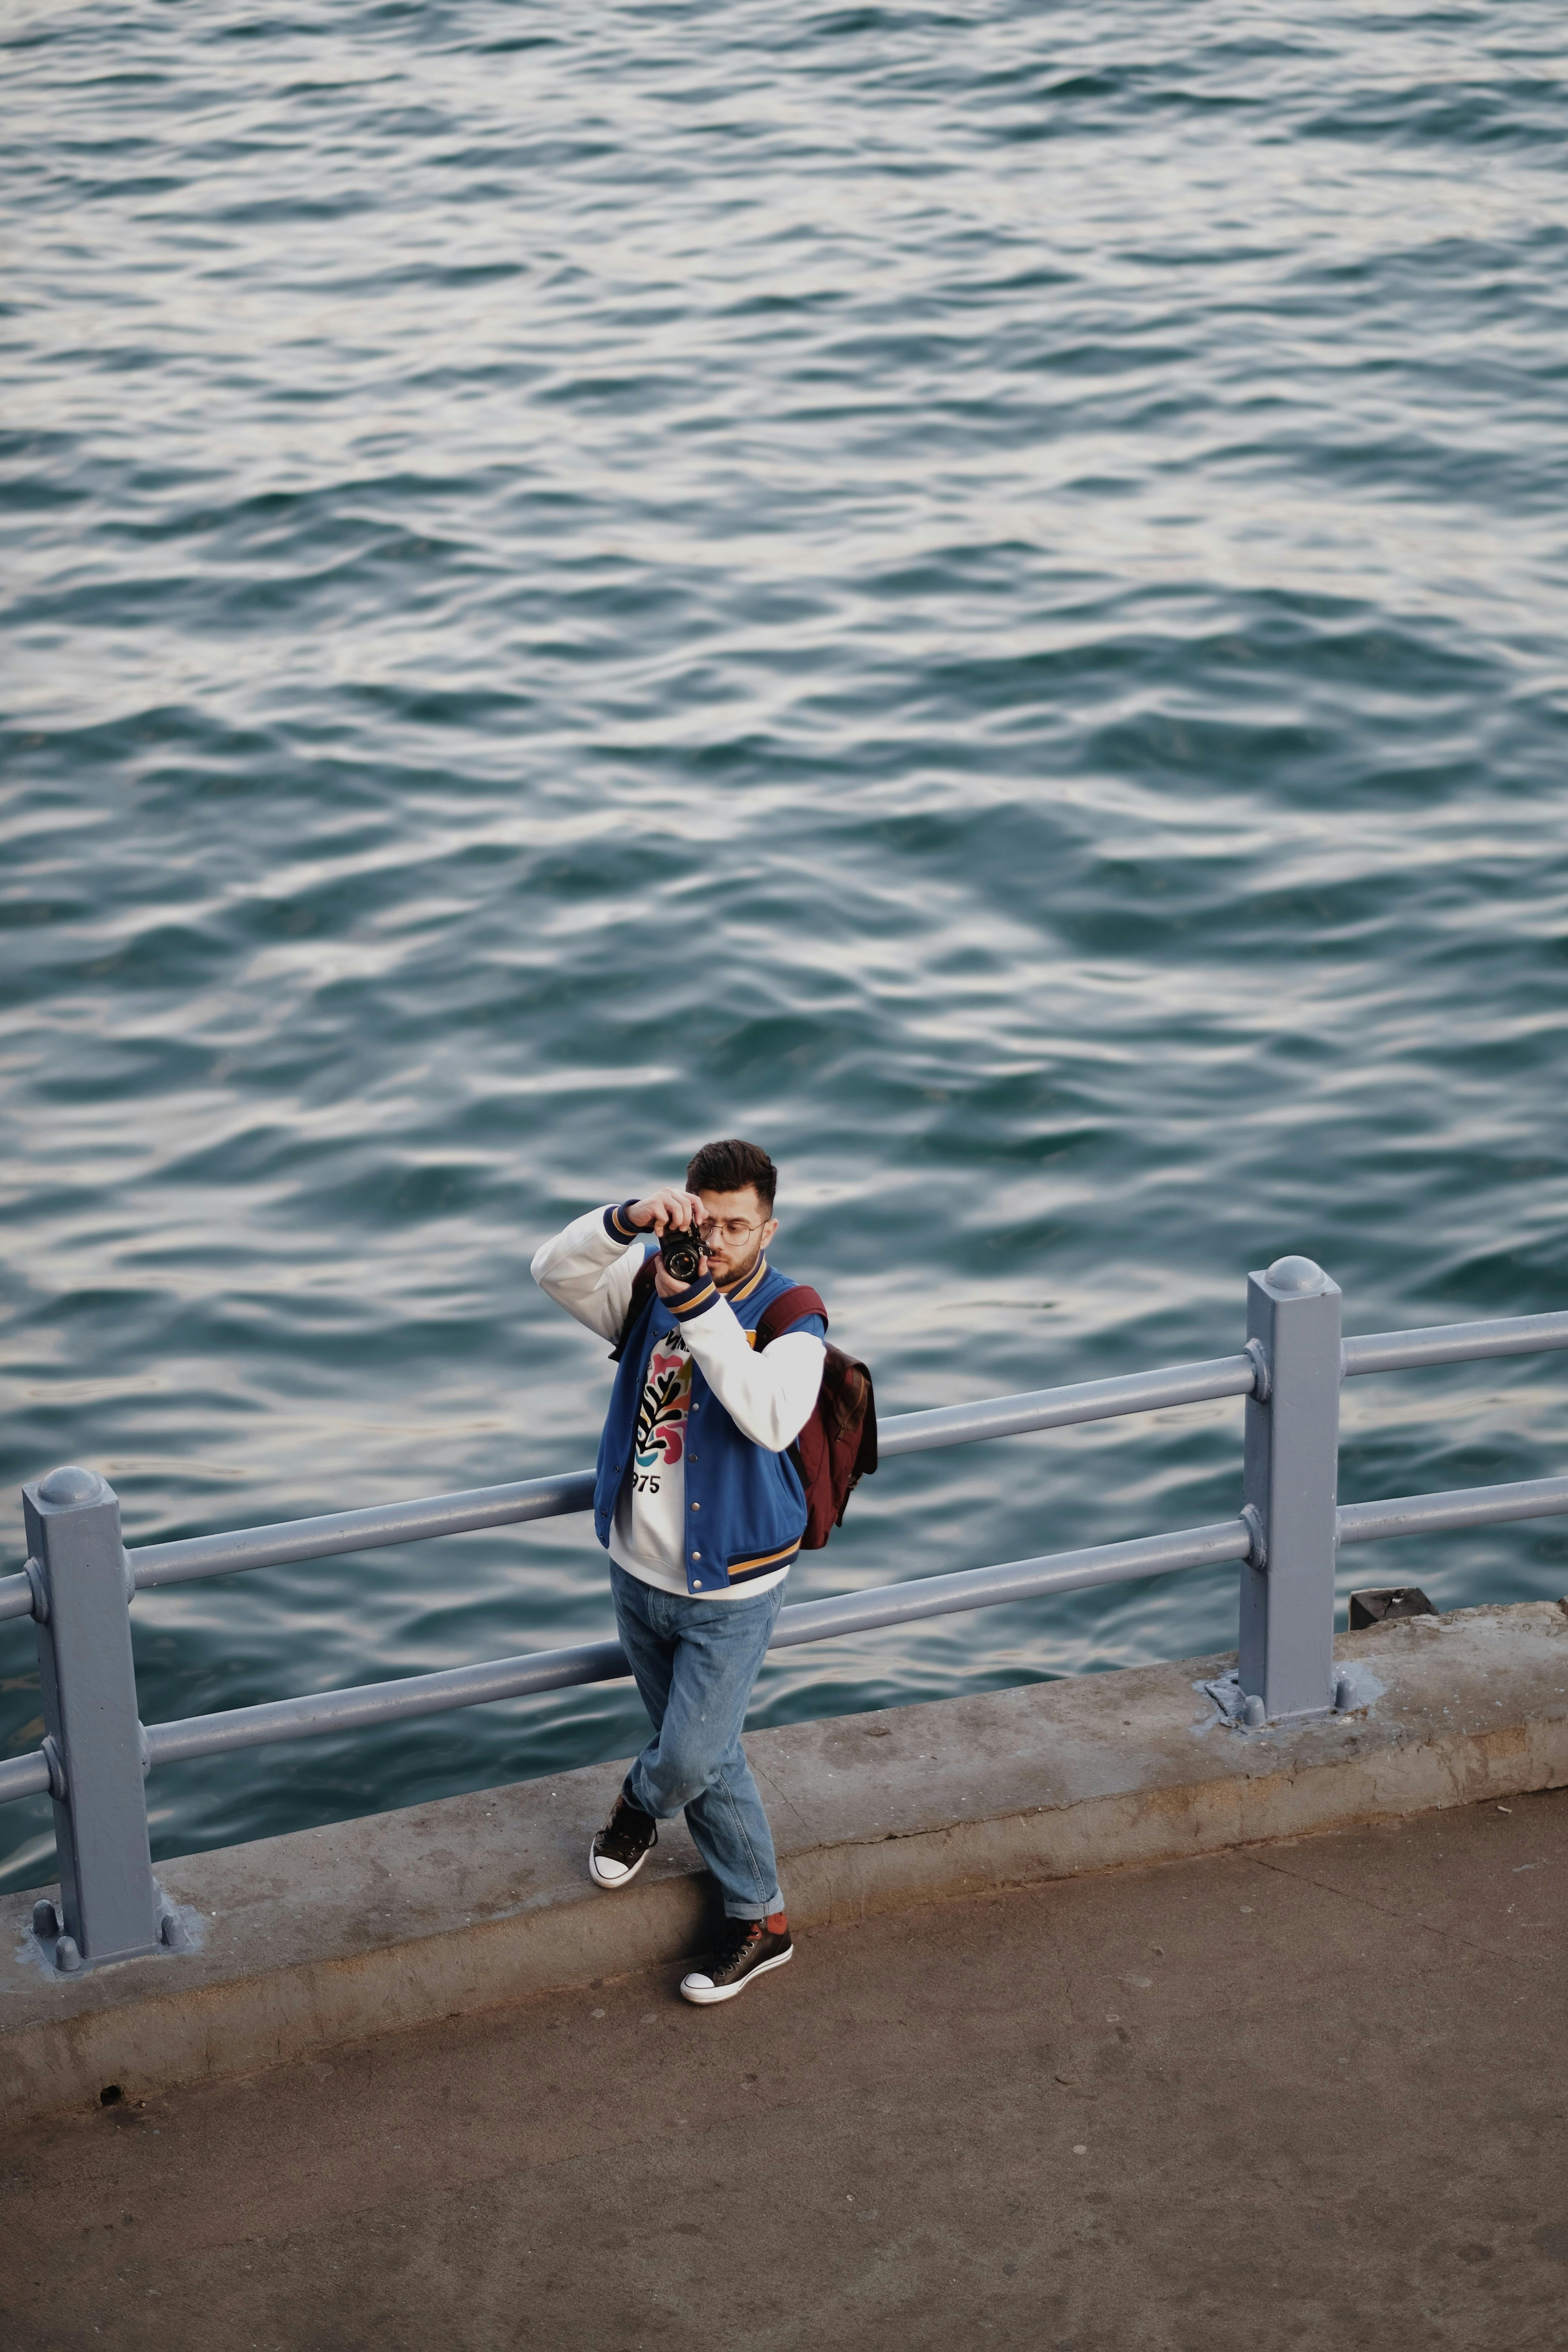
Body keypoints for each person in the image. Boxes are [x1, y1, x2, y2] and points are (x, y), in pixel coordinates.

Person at [530, 1138, 825, 2005]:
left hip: (732, 1585)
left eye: (738, 1226)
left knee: (689, 1755)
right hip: (636, 1570)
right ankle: (761, 1921)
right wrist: (625, 1221)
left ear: (768, 1229)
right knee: (709, 1756)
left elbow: (772, 1417)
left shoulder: (791, 1314)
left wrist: (698, 1307)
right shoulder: (647, 1287)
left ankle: (636, 1804)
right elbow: (552, 1271)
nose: (719, 1242)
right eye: (707, 1224)